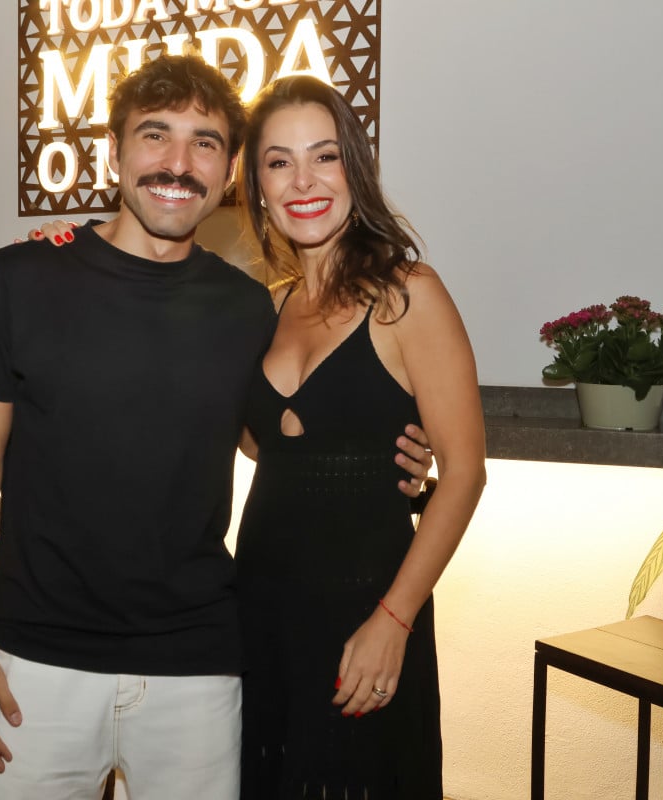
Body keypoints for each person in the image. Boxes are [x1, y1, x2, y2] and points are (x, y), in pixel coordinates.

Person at [0, 54, 433, 800]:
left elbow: (278, 436)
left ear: (230, 169)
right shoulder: (22, 277)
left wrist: (382, 456)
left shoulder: (248, 308)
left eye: (204, 143)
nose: (177, 163)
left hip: (198, 666)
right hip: (36, 663)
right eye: (155, 135)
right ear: (114, 151)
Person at [233, 76, 486, 799]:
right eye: (279, 162)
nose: (303, 180)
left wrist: (394, 620)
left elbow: (465, 474)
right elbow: (262, 443)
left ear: (356, 169)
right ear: (258, 187)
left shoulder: (409, 294)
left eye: (325, 156)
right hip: (260, 606)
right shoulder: (267, 307)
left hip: (366, 609)